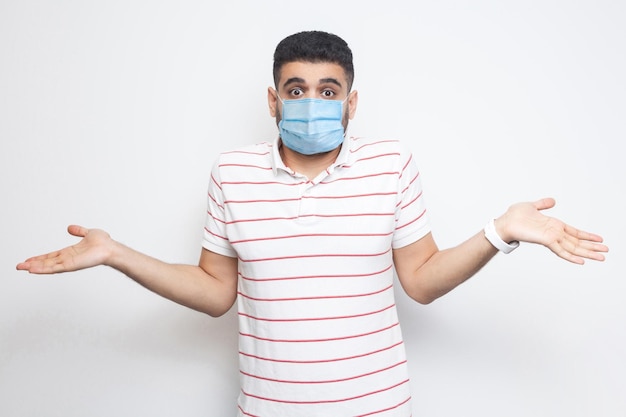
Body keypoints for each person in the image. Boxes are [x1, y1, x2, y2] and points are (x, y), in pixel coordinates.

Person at [16, 31, 608, 417]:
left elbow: (422, 282)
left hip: (378, 406)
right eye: (296, 89)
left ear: (352, 103)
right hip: (268, 408)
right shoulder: (231, 172)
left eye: (328, 91)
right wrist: (118, 253)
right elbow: (216, 292)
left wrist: (497, 231)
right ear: (272, 100)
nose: (311, 103)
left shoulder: (391, 163)